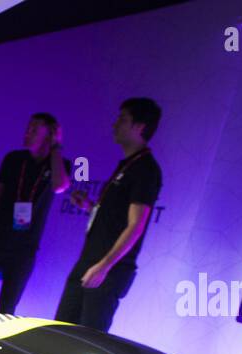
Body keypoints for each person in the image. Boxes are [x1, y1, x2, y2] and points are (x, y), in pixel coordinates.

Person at [54, 97, 162, 332]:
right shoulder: (127, 164)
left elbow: (136, 225)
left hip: (107, 270)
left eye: (122, 119)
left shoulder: (146, 169)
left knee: (88, 339)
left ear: (139, 127)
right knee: (61, 332)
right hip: (89, 260)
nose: (115, 124)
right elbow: (117, 217)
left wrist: (104, 265)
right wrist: (91, 206)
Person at [0, 112, 70, 313]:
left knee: (7, 309)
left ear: (49, 134)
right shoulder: (13, 158)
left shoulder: (60, 164)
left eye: (34, 129)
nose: (27, 133)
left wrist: (56, 147)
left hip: (24, 248)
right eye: (27, 128)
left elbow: (60, 186)